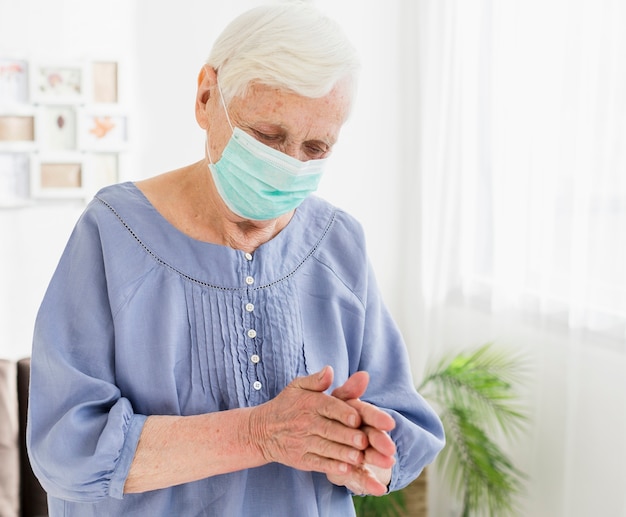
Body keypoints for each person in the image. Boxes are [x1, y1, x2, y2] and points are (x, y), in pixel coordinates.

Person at [27, 3, 445, 516]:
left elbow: (405, 429)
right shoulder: (114, 232)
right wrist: (260, 433)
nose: (288, 165)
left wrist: (363, 451)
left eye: (316, 147)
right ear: (207, 97)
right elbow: (64, 450)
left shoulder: (339, 242)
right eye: (268, 136)